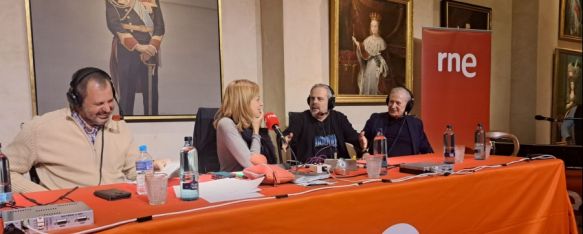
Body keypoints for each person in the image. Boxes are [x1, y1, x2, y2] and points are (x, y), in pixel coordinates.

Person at [4, 67, 139, 193]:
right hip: (67, 211)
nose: (107, 109)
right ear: (76, 101)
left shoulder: (120, 127)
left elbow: (133, 169)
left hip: (117, 208)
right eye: (99, 104)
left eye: (110, 101)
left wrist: (155, 168)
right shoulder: (39, 129)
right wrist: (44, 196)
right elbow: (4, 172)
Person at [106, 0, 165, 115]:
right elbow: (114, 24)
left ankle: (153, 127)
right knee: (127, 91)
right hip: (127, 48)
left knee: (151, 93)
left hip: (149, 47)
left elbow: (160, 26)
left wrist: (152, 47)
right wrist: (137, 46)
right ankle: (126, 126)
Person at [282, 84, 367, 163]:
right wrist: (284, 140)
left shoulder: (339, 118)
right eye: (312, 98)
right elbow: (286, 135)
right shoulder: (300, 119)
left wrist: (360, 141)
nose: (314, 102)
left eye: (319, 99)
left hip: (338, 169)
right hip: (310, 172)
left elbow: (355, 138)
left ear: (330, 103)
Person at [214, 80, 275, 172]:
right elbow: (251, 164)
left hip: (252, 180)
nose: (261, 103)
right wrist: (256, 131)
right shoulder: (226, 123)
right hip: (234, 183)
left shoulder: (245, 124)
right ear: (244, 102)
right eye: (257, 99)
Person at [361, 86, 433, 156]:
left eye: (398, 103)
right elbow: (361, 144)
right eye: (391, 102)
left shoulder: (416, 124)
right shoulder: (376, 119)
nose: (393, 106)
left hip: (409, 166)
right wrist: (364, 151)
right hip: (382, 165)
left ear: (408, 106)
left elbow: (427, 151)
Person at [352, 12, 390, 95]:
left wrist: (380, 62)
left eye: (375, 26)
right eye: (372, 26)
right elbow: (364, 53)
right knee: (367, 82)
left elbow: (383, 56)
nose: (373, 28)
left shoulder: (381, 41)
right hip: (369, 66)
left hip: (376, 67)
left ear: (378, 27)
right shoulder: (367, 40)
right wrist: (358, 44)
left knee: (374, 84)